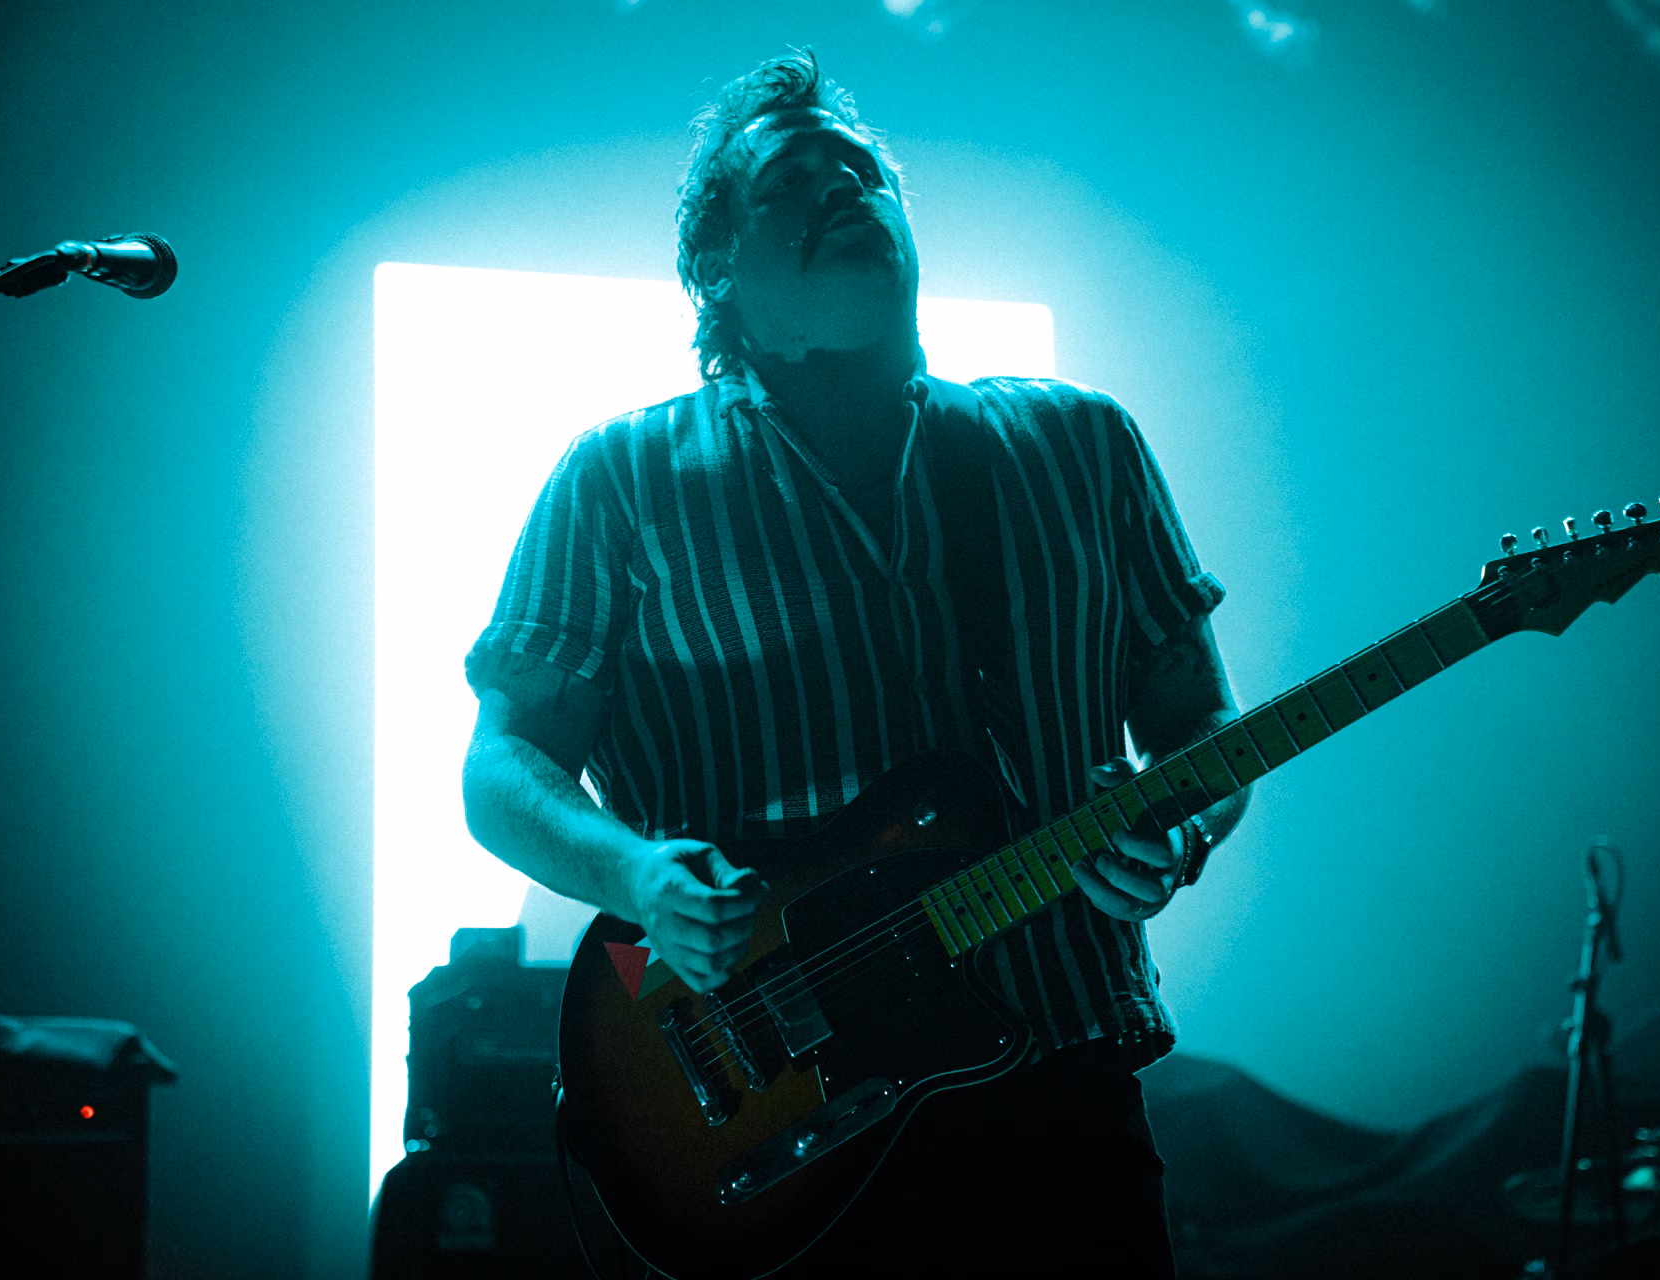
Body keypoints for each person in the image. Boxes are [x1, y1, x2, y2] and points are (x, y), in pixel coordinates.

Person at [461, 50, 1247, 1278]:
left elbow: (1199, 717)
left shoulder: (1080, 444)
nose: (845, 190)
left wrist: (1178, 820)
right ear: (717, 266)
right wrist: (638, 875)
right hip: (779, 1114)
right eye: (794, 183)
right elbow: (502, 765)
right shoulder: (621, 481)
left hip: (1060, 1081)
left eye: (865, 174)